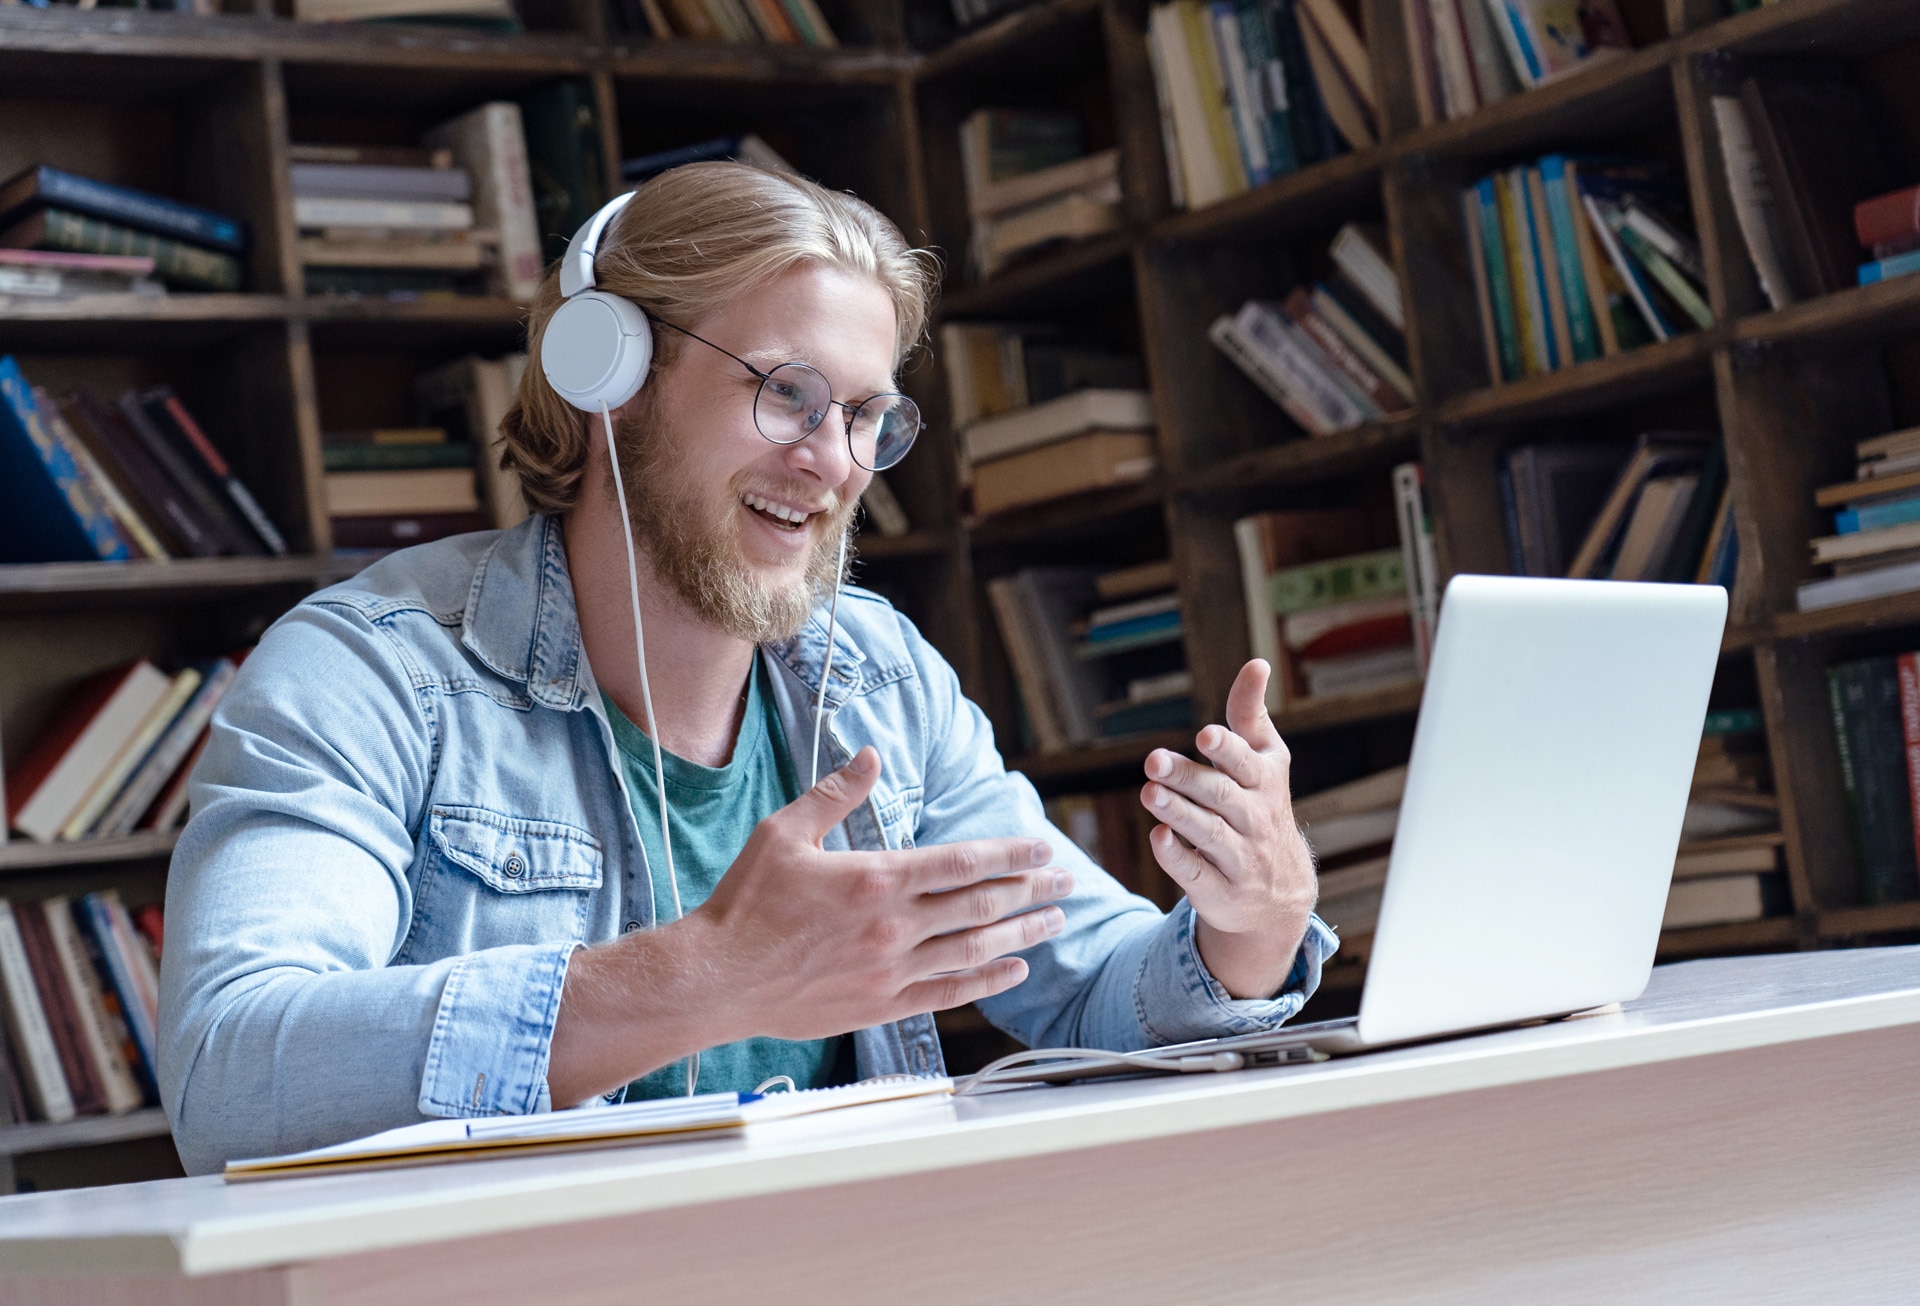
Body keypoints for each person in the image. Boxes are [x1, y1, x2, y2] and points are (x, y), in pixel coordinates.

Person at [158, 163, 1336, 1176]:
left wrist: (1250, 928)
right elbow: (234, 1068)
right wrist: (700, 978)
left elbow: (1087, 991)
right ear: (607, 376)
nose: (834, 463)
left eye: (869, 416)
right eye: (787, 394)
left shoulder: (878, 677)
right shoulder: (370, 674)